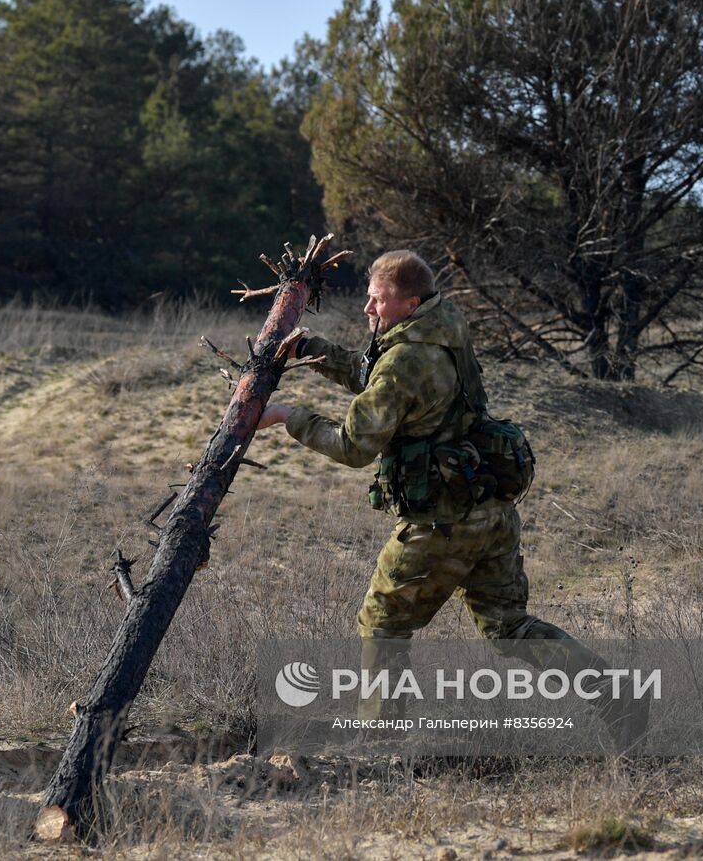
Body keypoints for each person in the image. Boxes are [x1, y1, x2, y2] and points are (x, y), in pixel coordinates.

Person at [257, 249, 644, 750]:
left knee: (383, 622)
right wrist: (312, 349)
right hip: (492, 512)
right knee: (509, 627)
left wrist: (290, 417)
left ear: (409, 302)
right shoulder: (444, 328)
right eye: (368, 298)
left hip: (440, 523)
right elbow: (379, 375)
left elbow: (355, 446)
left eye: (377, 301)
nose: (368, 310)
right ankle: (617, 694)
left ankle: (379, 743)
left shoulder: (406, 359)